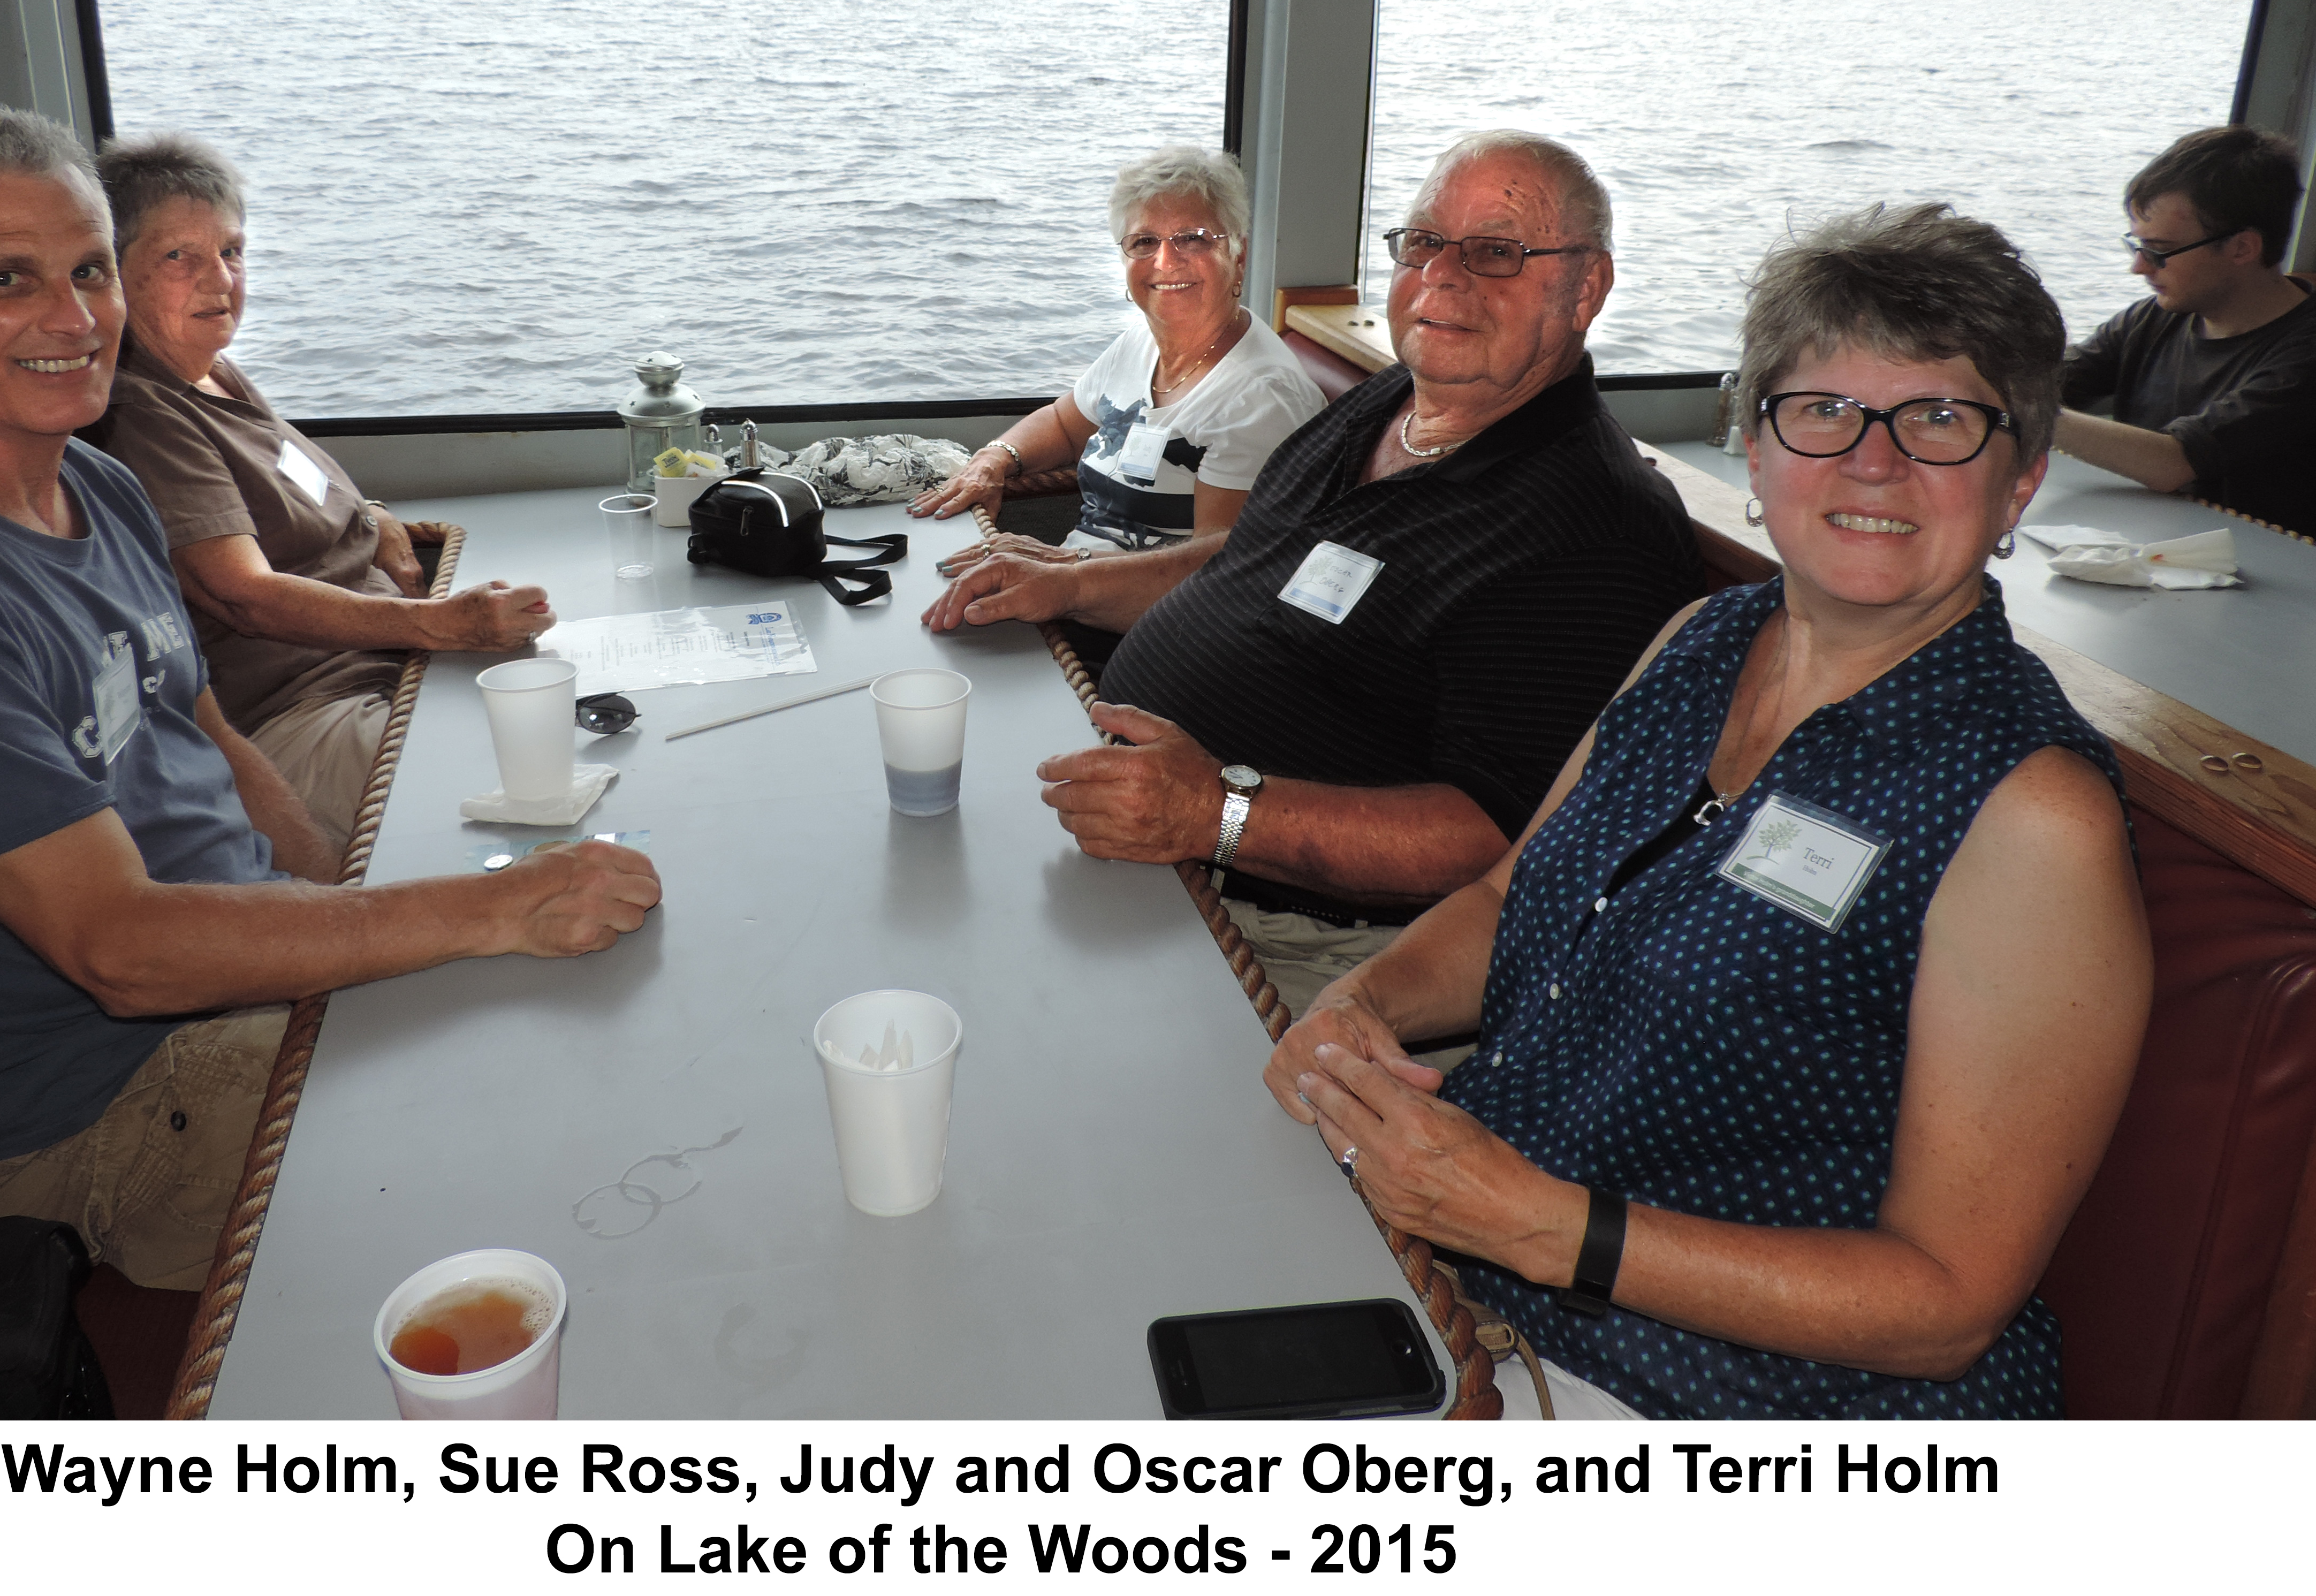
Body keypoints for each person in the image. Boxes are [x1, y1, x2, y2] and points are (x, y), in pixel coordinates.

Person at [0, 104, 660, 1291]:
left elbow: (204, 724)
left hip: (215, 981)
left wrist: (345, 901)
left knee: (595, 1018)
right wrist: (489, 913)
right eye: (9, 279)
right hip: (83, 1112)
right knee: (550, 1121)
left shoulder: (96, 484)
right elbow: (121, 951)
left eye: (91, 270)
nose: (72, 319)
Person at [1264, 203, 2150, 1419]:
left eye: (1938, 418)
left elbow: (1945, 1307)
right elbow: (1505, 897)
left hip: (1720, 1391)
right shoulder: (1702, 640)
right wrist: (1360, 1003)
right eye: (1820, 410)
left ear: (2020, 481)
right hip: (1481, 1269)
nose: (1871, 461)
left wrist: (1544, 1228)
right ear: (1753, 448)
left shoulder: (2028, 811)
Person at [923, 131, 1701, 1016]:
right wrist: (1074, 584)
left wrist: (1214, 813)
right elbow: (1246, 563)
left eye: (1495, 253)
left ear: (1586, 288)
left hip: (1282, 928)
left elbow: (1496, 833)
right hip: (1146, 820)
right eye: (1422, 244)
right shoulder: (1393, 401)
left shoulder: (1592, 528)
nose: (1443, 279)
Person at [89, 132, 552, 852]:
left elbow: (293, 499)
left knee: (579, 714)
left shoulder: (214, 373)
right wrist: (441, 626)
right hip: (311, 713)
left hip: (389, 665)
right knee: (541, 776)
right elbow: (243, 592)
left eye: (232, 252)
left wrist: (373, 517)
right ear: (111, 276)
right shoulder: (143, 413)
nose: (220, 280)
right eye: (179, 256)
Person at [911, 145, 1323, 558]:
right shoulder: (1140, 344)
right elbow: (1064, 425)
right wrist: (994, 459)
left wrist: (1062, 575)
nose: (1165, 260)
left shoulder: (1263, 397)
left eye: (1192, 239)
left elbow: (1214, 577)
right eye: (1144, 241)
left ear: (1239, 256)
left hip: (1147, 616)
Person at [2056, 125, 2316, 536]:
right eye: (2137, 246)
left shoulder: (2304, 356)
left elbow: (2175, 464)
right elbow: (2059, 381)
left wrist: (2028, 409)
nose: (2139, 268)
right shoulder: (2152, 319)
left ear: (2242, 248)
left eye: (2159, 252)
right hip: (2155, 550)